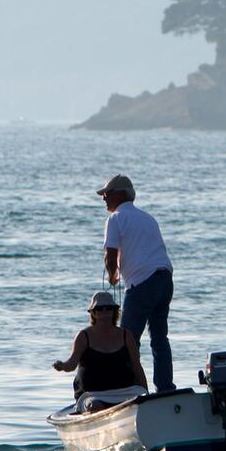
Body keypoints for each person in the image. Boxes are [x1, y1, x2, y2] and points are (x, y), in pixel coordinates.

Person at [97, 174, 175, 392]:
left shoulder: (116, 219)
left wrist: (112, 275)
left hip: (142, 283)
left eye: (107, 193)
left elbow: (110, 255)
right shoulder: (148, 218)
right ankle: (165, 388)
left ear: (121, 194)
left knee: (127, 340)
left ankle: (129, 388)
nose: (104, 198)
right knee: (160, 338)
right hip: (165, 279)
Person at [52, 291, 148, 411]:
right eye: (99, 309)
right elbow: (71, 364)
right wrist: (62, 366)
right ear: (93, 313)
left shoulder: (125, 335)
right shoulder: (84, 336)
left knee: (137, 402)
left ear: (114, 311)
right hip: (92, 395)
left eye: (108, 308)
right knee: (96, 406)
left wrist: (147, 394)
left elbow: (137, 367)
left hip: (125, 391)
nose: (104, 313)